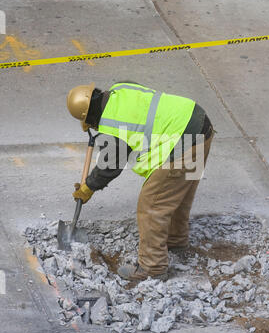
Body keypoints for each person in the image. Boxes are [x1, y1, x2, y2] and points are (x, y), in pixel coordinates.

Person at [67, 81, 214, 282]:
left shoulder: (112, 125)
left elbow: (111, 165)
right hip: (199, 122)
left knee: (152, 204)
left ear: (89, 117)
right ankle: (176, 240)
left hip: (182, 139)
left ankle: (152, 267)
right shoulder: (121, 88)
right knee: (179, 191)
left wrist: (88, 187)